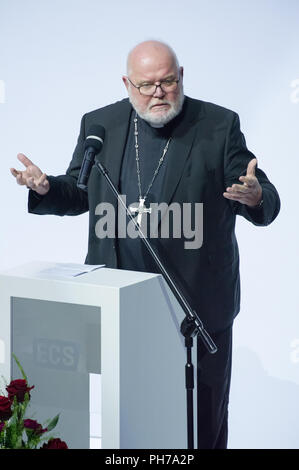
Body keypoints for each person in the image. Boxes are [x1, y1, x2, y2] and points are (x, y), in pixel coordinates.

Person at [10, 40, 280, 449]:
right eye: (146, 84)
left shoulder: (218, 125)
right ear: (126, 83)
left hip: (197, 310)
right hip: (121, 310)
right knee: (132, 427)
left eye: (168, 81)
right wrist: (46, 188)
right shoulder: (100, 125)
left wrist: (257, 197)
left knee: (200, 428)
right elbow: (79, 191)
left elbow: (259, 189)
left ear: (182, 76)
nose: (158, 93)